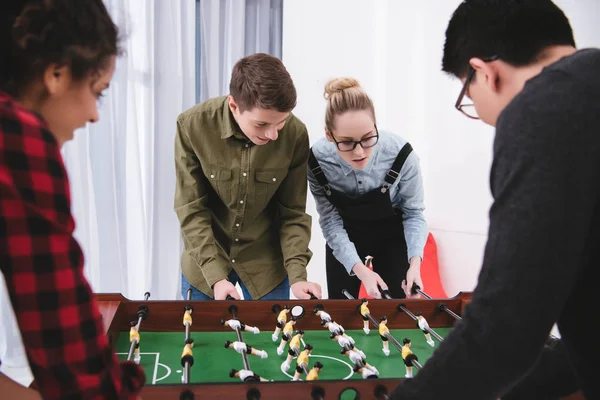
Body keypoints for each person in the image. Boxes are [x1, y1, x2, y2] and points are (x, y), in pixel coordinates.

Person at [389, 1, 599, 399]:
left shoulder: (542, 110)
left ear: (484, 72)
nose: (482, 115)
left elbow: (506, 326)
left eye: (467, 96)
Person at [0, 1, 145, 399]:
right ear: (57, 73)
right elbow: (74, 365)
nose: (94, 115)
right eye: (97, 92)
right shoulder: (18, 137)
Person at [175, 52, 322, 301]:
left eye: (281, 123)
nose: (274, 135)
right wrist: (216, 277)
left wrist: (298, 276)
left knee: (276, 339)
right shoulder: (192, 126)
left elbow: (292, 213)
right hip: (206, 264)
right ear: (234, 105)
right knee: (201, 339)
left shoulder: (296, 134)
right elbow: (191, 209)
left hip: (267, 267)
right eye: (262, 125)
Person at [307, 77, 428, 299]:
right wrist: (361, 272)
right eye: (346, 142)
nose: (360, 152)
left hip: (393, 235)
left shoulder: (402, 155)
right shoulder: (317, 162)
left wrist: (415, 265)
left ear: (375, 125)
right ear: (329, 135)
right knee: (341, 309)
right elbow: (330, 221)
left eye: (368, 138)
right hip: (345, 233)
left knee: (398, 309)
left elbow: (413, 213)